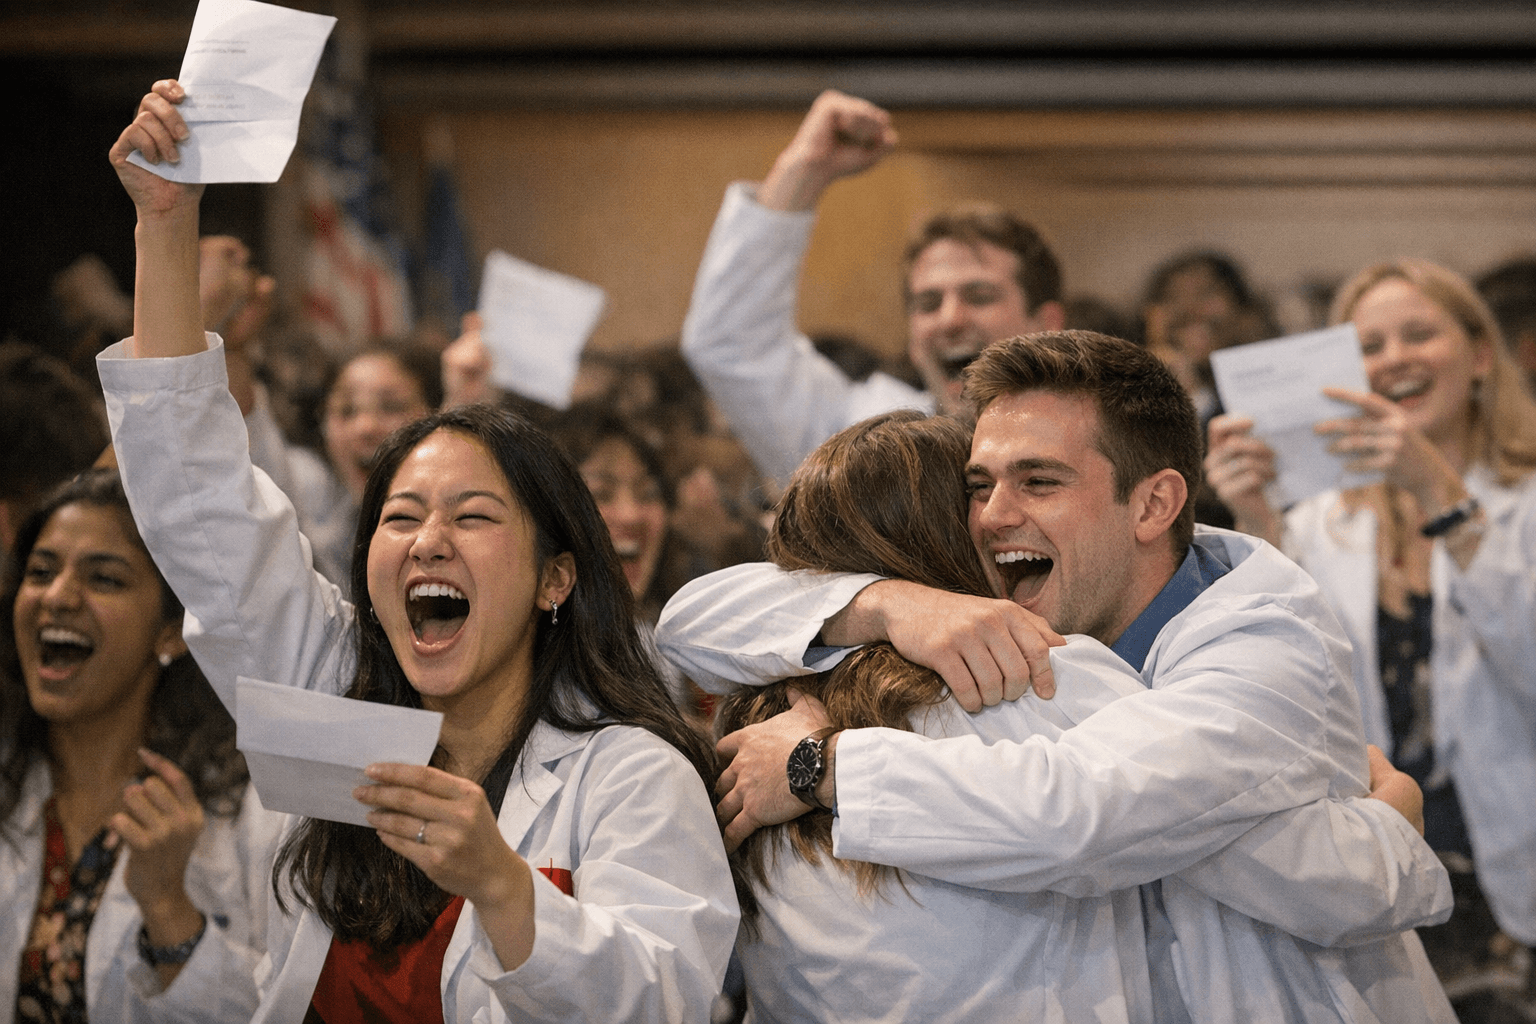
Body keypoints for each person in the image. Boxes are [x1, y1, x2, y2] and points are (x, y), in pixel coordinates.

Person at [102, 80, 738, 1023]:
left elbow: (668, 1001)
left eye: (473, 518)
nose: (428, 540)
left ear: (556, 577)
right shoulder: (327, 697)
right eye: (400, 519)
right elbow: (196, 497)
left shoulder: (630, 775)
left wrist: (503, 884)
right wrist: (165, 222)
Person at [660, 330, 1456, 1021]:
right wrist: (885, 603)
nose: (993, 516)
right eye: (978, 486)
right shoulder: (997, 639)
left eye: (1038, 481)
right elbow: (687, 623)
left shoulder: (1256, 641)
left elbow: (1082, 814)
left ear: (1152, 506)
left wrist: (819, 764)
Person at [1206, 259, 1536, 1019]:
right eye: (1370, 347)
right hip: (1385, 865)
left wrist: (1444, 500)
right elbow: (1280, 695)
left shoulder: (1521, 500)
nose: (1394, 360)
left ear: (1481, 355)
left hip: (1512, 867)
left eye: (1419, 334)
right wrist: (1255, 521)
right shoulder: (1322, 522)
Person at [1, 469, 281, 1024]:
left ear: (172, 632)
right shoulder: (12, 778)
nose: (57, 597)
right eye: (40, 572)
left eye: (104, 579)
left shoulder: (244, 810)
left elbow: (278, 1011)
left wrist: (168, 907)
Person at [681, 89, 1065, 485]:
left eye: (980, 296)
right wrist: (804, 170)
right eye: (928, 303)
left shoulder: (1100, 448)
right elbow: (735, 347)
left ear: (1048, 324)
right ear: (914, 340)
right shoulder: (866, 450)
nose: (950, 319)